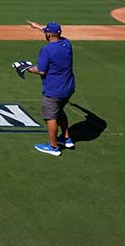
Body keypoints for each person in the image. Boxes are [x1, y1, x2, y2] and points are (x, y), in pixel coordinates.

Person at [26, 21, 76, 156]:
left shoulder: (47, 50)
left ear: (48, 35)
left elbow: (41, 71)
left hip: (54, 89)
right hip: (68, 87)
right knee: (59, 111)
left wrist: (27, 68)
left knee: (50, 117)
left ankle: (53, 147)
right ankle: (66, 139)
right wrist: (38, 27)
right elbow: (52, 33)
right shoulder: (66, 43)